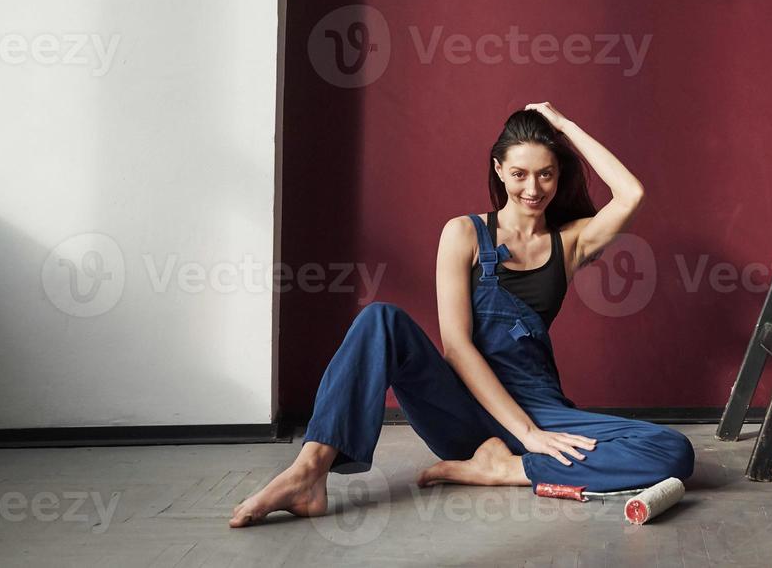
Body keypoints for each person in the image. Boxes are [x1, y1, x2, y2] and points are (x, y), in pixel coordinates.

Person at [229, 102, 693, 527]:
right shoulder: (464, 234)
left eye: (546, 175)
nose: (533, 188)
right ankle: (310, 471)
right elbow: (455, 346)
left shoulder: (570, 241)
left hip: (540, 407)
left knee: (671, 451)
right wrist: (525, 432)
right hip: (464, 410)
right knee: (380, 320)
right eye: (519, 174)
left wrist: (565, 125)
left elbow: (630, 193)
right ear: (498, 170)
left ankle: (505, 469)